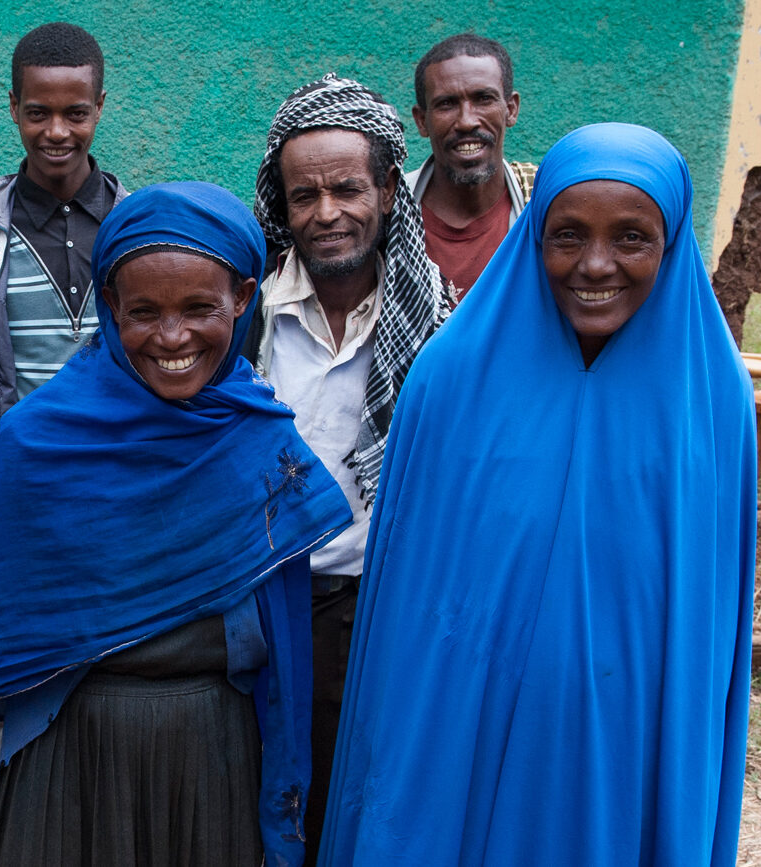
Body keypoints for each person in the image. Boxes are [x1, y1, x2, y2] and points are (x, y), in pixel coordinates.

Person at [319, 123, 755, 866]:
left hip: (622, 753)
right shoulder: (452, 381)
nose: (595, 264)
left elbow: (705, 630)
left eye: (632, 238)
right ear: (533, 237)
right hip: (458, 741)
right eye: (567, 235)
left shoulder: (711, 404)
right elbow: (407, 616)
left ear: (673, 243)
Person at [0, 181, 353, 867]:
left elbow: (280, 633)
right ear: (110, 306)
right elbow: (9, 636)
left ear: (242, 296)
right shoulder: (37, 443)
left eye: (200, 308)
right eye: (143, 311)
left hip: (215, 751)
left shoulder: (258, 441)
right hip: (73, 754)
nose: (172, 337)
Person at [0, 22, 124, 863]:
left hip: (118, 512)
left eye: (75, 112)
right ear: (12, 109)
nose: (57, 132)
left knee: (107, 688)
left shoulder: (136, 227)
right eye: (37, 111)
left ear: (100, 107)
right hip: (14, 520)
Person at [244, 74, 449, 862]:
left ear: (391, 190)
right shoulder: (246, 309)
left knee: (358, 802)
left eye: (346, 189)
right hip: (262, 599)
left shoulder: (439, 322)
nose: (326, 213)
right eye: (305, 195)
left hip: (382, 604)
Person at [406, 33, 534, 302]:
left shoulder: (541, 201)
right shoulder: (390, 212)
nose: (466, 121)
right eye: (446, 104)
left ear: (510, 109)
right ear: (421, 121)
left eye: (483, 99)